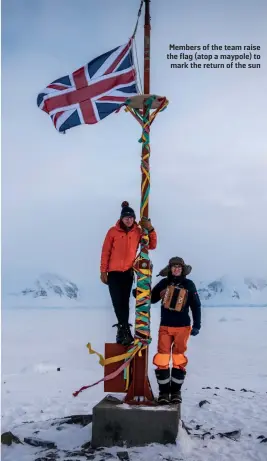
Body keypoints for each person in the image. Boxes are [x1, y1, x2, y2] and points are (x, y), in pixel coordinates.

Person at [100, 201, 157, 346]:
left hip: (128, 272)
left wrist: (150, 229)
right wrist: (103, 271)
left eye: (131, 217)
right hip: (113, 273)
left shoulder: (138, 231)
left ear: (134, 218)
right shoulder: (112, 232)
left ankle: (124, 331)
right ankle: (123, 329)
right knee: (117, 302)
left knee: (124, 303)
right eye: (126, 217)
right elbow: (105, 252)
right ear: (121, 218)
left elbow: (152, 245)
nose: (129, 219)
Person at [151, 256, 201, 404]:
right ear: (170, 269)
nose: (176, 269)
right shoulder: (163, 283)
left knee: (179, 360)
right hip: (165, 327)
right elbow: (151, 298)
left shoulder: (189, 284)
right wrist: (140, 293)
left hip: (183, 327)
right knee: (162, 359)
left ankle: (176, 393)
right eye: (174, 266)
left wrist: (197, 325)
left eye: (179, 266)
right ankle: (164, 394)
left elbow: (196, 306)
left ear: (183, 269)